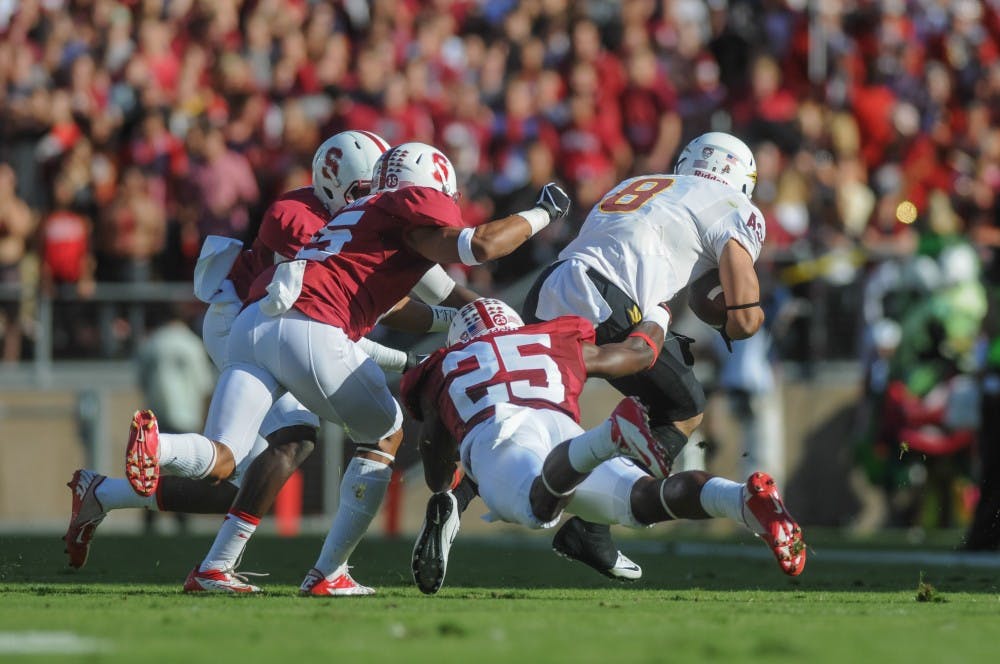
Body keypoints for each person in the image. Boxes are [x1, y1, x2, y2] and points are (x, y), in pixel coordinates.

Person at [119, 141, 570, 594]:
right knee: (385, 432)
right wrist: (544, 213)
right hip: (310, 326)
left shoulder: (367, 212)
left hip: (255, 323)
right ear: (433, 183)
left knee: (225, 457)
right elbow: (482, 246)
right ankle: (328, 573)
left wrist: (463, 316)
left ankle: (165, 465)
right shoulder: (406, 205)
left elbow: (411, 293)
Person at [418, 132, 770, 580]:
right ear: (740, 178)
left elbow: (685, 271)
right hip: (609, 300)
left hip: (552, 286)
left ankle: (454, 497)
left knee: (527, 409)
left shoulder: (640, 183)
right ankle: (593, 528)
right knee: (683, 408)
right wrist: (745, 320)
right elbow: (740, 313)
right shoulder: (734, 205)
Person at [403, 299, 804, 594]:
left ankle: (606, 438)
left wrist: (443, 490)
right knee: (641, 500)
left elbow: (434, 449)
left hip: (500, 430)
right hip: (560, 426)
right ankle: (742, 501)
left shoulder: (446, 362)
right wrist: (659, 310)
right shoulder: (548, 338)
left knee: (536, 510)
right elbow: (636, 354)